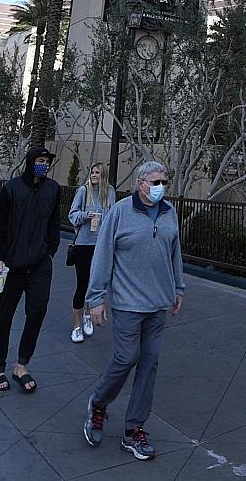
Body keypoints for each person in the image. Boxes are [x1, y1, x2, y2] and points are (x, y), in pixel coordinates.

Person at [82, 160, 184, 461]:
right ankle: (98, 403)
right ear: (140, 183)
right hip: (127, 303)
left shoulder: (169, 212)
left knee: (149, 364)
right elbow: (103, 255)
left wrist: (178, 288)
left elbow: (175, 251)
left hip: (158, 304)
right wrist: (96, 298)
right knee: (127, 357)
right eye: (155, 182)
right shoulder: (120, 213)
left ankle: (134, 429)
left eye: (163, 181)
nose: (160, 187)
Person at [0, 146, 61, 394]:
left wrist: (50, 249)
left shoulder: (53, 189)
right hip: (10, 265)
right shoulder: (12, 189)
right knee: (4, 317)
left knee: (37, 312)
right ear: (31, 162)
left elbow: (54, 222)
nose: (44, 165)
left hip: (39, 264)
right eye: (40, 160)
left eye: (47, 162)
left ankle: (21, 365)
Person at [66, 161, 113, 343]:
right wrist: (87, 215)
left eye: (98, 173)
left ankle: (88, 314)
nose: (94, 175)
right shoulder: (83, 191)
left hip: (101, 245)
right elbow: (72, 215)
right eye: (92, 172)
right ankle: (77, 325)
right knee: (82, 284)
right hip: (84, 244)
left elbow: (112, 217)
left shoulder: (109, 193)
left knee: (96, 282)